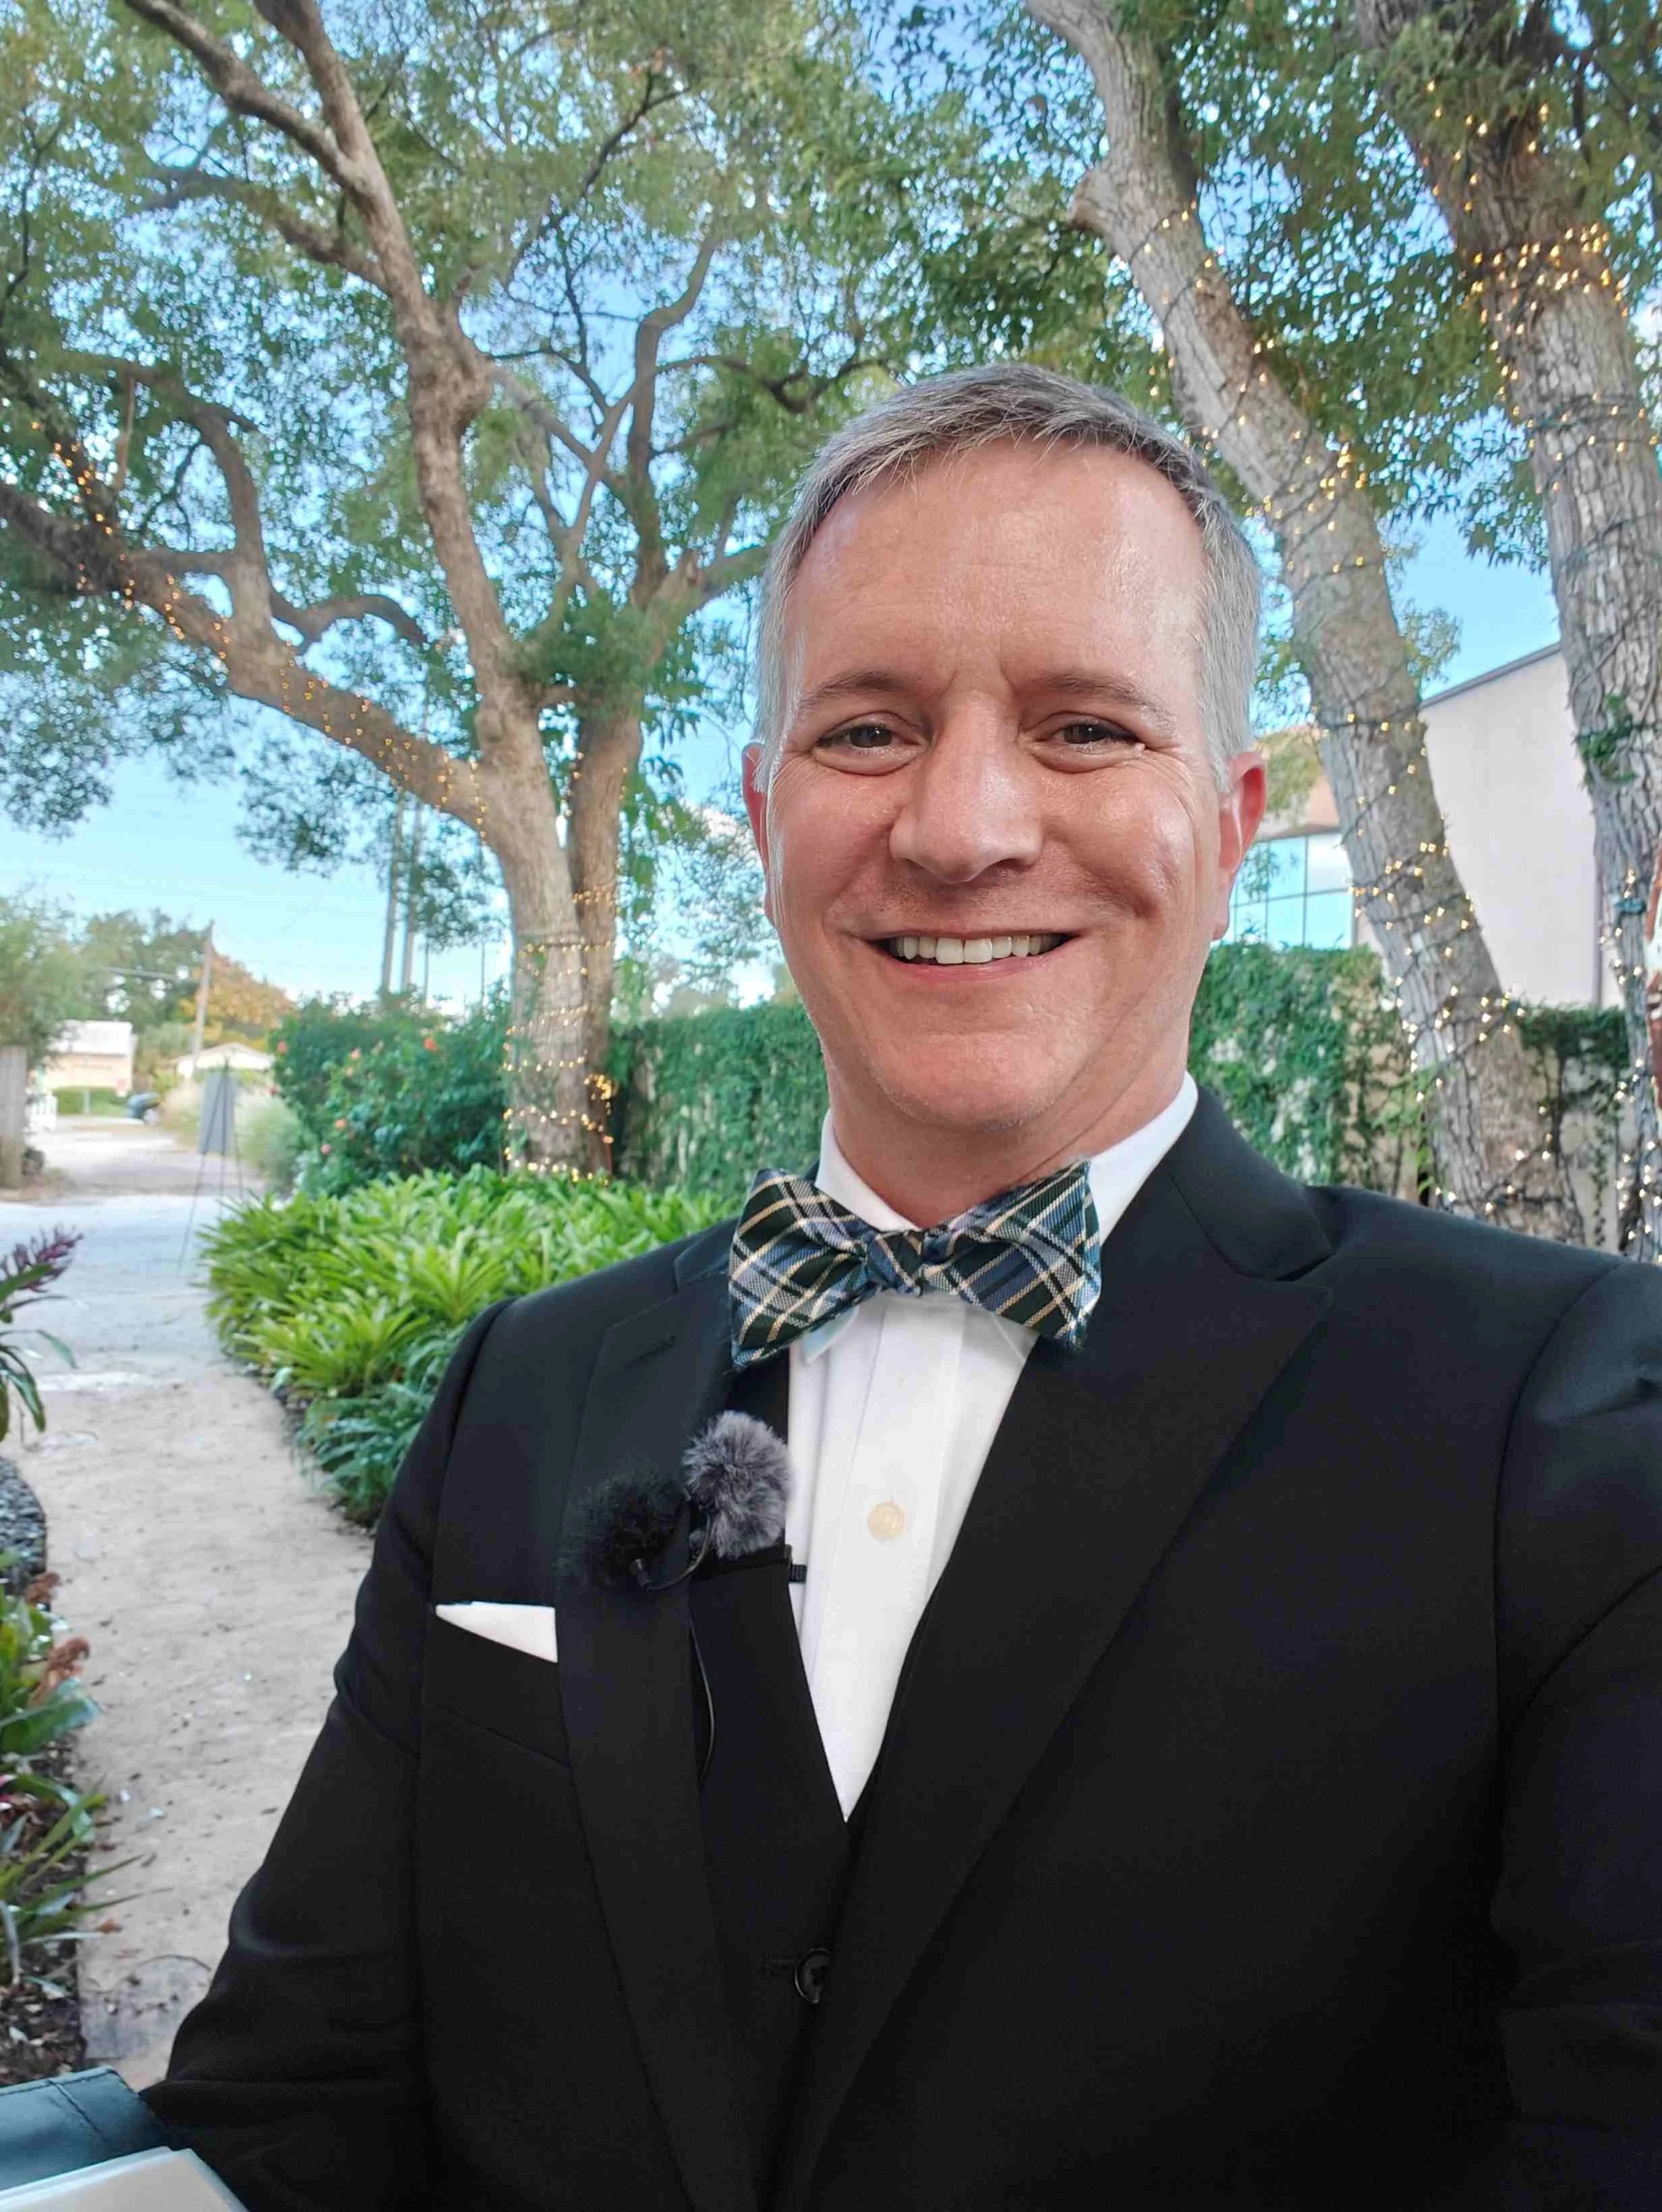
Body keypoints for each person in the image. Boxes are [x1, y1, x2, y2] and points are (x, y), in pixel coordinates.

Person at [146, 365, 1662, 2209]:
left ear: (1233, 818)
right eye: (868, 731)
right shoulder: (521, 1393)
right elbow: (294, 2101)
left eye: (1087, 727)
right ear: (770, 811)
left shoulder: (1564, 1414)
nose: (961, 826)